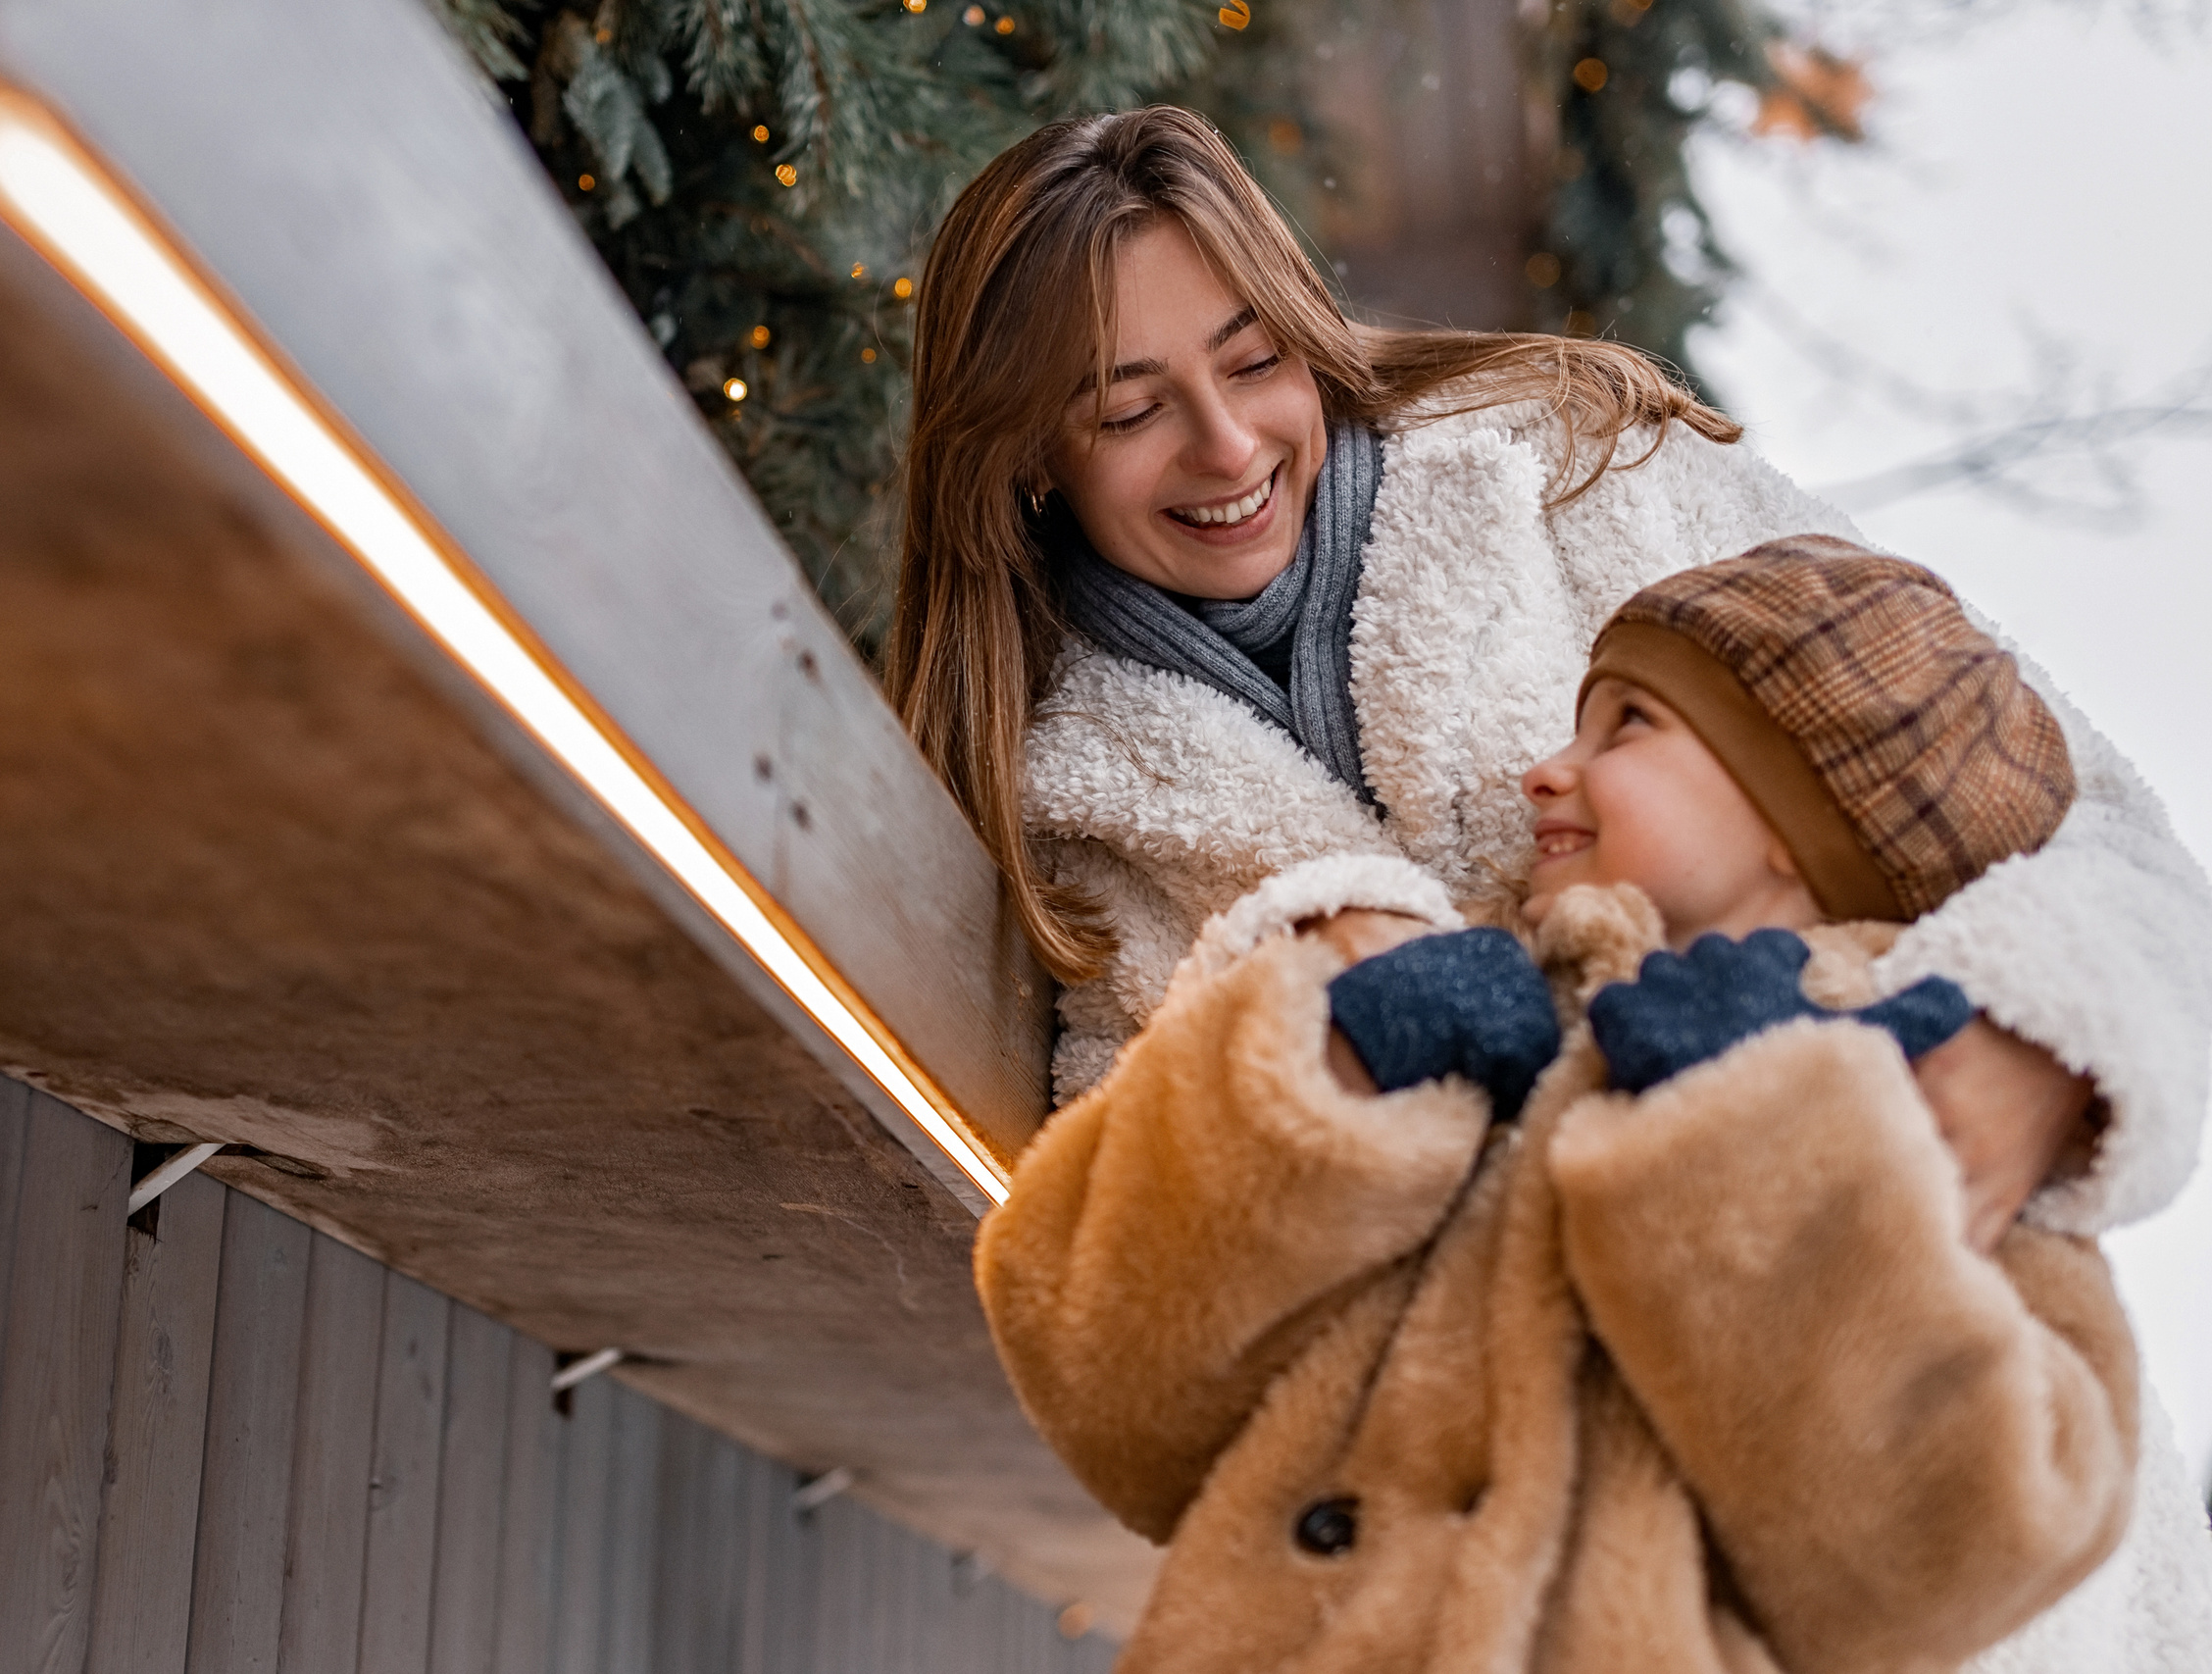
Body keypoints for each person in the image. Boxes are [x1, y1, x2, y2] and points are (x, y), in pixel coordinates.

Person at [886, 106, 2208, 1258]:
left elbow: (2095, 815)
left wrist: (2045, 1057)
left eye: (1255, 360)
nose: (1228, 444)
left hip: (1950, 1368)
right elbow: (1139, 1260)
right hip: (1557, 1509)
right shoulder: (1061, 813)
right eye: (1129, 411)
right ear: (1029, 455)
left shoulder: (1594, 475)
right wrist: (1330, 1043)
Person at [974, 540, 2212, 1673]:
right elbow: (1104, 1389)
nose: (1548, 766)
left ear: (1796, 813)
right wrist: (1328, 1076)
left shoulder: (1927, 1101)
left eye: (1630, 724)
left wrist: (1756, 1129)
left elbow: (1952, 1563)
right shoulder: (1489, 1020)